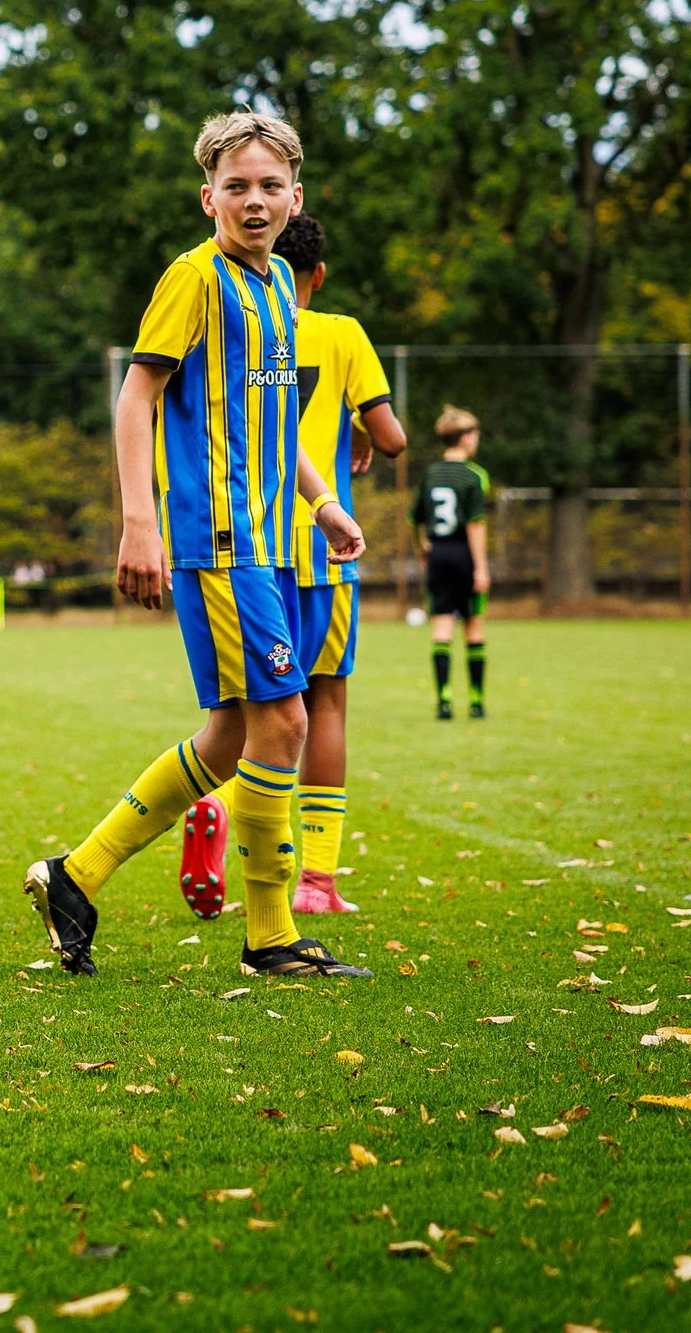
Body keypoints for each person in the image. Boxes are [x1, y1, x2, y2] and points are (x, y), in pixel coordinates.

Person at [24, 111, 372, 980]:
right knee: (283, 719)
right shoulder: (196, 277)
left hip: (268, 536)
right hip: (218, 538)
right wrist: (137, 519)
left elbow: (273, 424)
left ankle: (77, 874)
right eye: (235, 186)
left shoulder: (279, 290)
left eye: (269, 187)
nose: (253, 201)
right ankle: (269, 935)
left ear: (297, 197)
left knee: (227, 735)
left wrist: (322, 501)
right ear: (207, 194)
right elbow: (137, 398)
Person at [178, 215, 405, 921]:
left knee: (258, 715)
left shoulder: (240, 309)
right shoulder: (339, 332)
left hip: (250, 539)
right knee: (324, 703)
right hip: (320, 549)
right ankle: (316, 878)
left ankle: (217, 808)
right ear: (322, 273)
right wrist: (364, 427)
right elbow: (392, 439)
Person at [416, 406, 492, 720]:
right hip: (464, 553)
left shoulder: (431, 474)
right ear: (463, 438)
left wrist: (421, 548)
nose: (477, 439)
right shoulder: (476, 475)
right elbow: (475, 524)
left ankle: (444, 700)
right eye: (474, 434)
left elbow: (414, 518)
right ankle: (476, 702)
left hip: (438, 554)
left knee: (441, 625)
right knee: (473, 625)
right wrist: (481, 567)